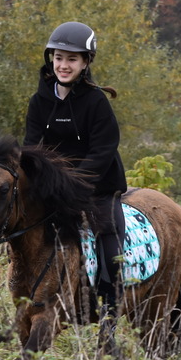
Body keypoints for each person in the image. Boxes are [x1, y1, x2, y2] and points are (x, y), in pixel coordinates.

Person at [23, 21, 127, 330]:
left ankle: (109, 316)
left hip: (98, 188)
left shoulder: (96, 102)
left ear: (85, 63)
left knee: (110, 247)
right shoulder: (38, 102)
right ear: (50, 59)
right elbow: (31, 149)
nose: (63, 65)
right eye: (58, 58)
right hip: (55, 192)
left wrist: (72, 184)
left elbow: (103, 150)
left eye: (72, 59)